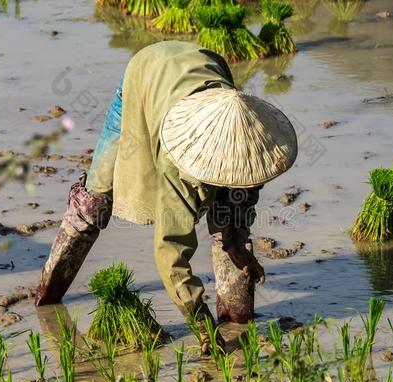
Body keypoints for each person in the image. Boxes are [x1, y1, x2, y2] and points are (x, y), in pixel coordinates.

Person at [34, 41, 297, 353]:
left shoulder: (250, 141)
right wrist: (202, 325)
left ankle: (238, 315)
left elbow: (240, 202)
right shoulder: (180, 166)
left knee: (230, 206)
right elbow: (170, 252)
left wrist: (238, 245)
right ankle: (47, 297)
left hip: (202, 71)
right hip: (144, 77)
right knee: (95, 199)